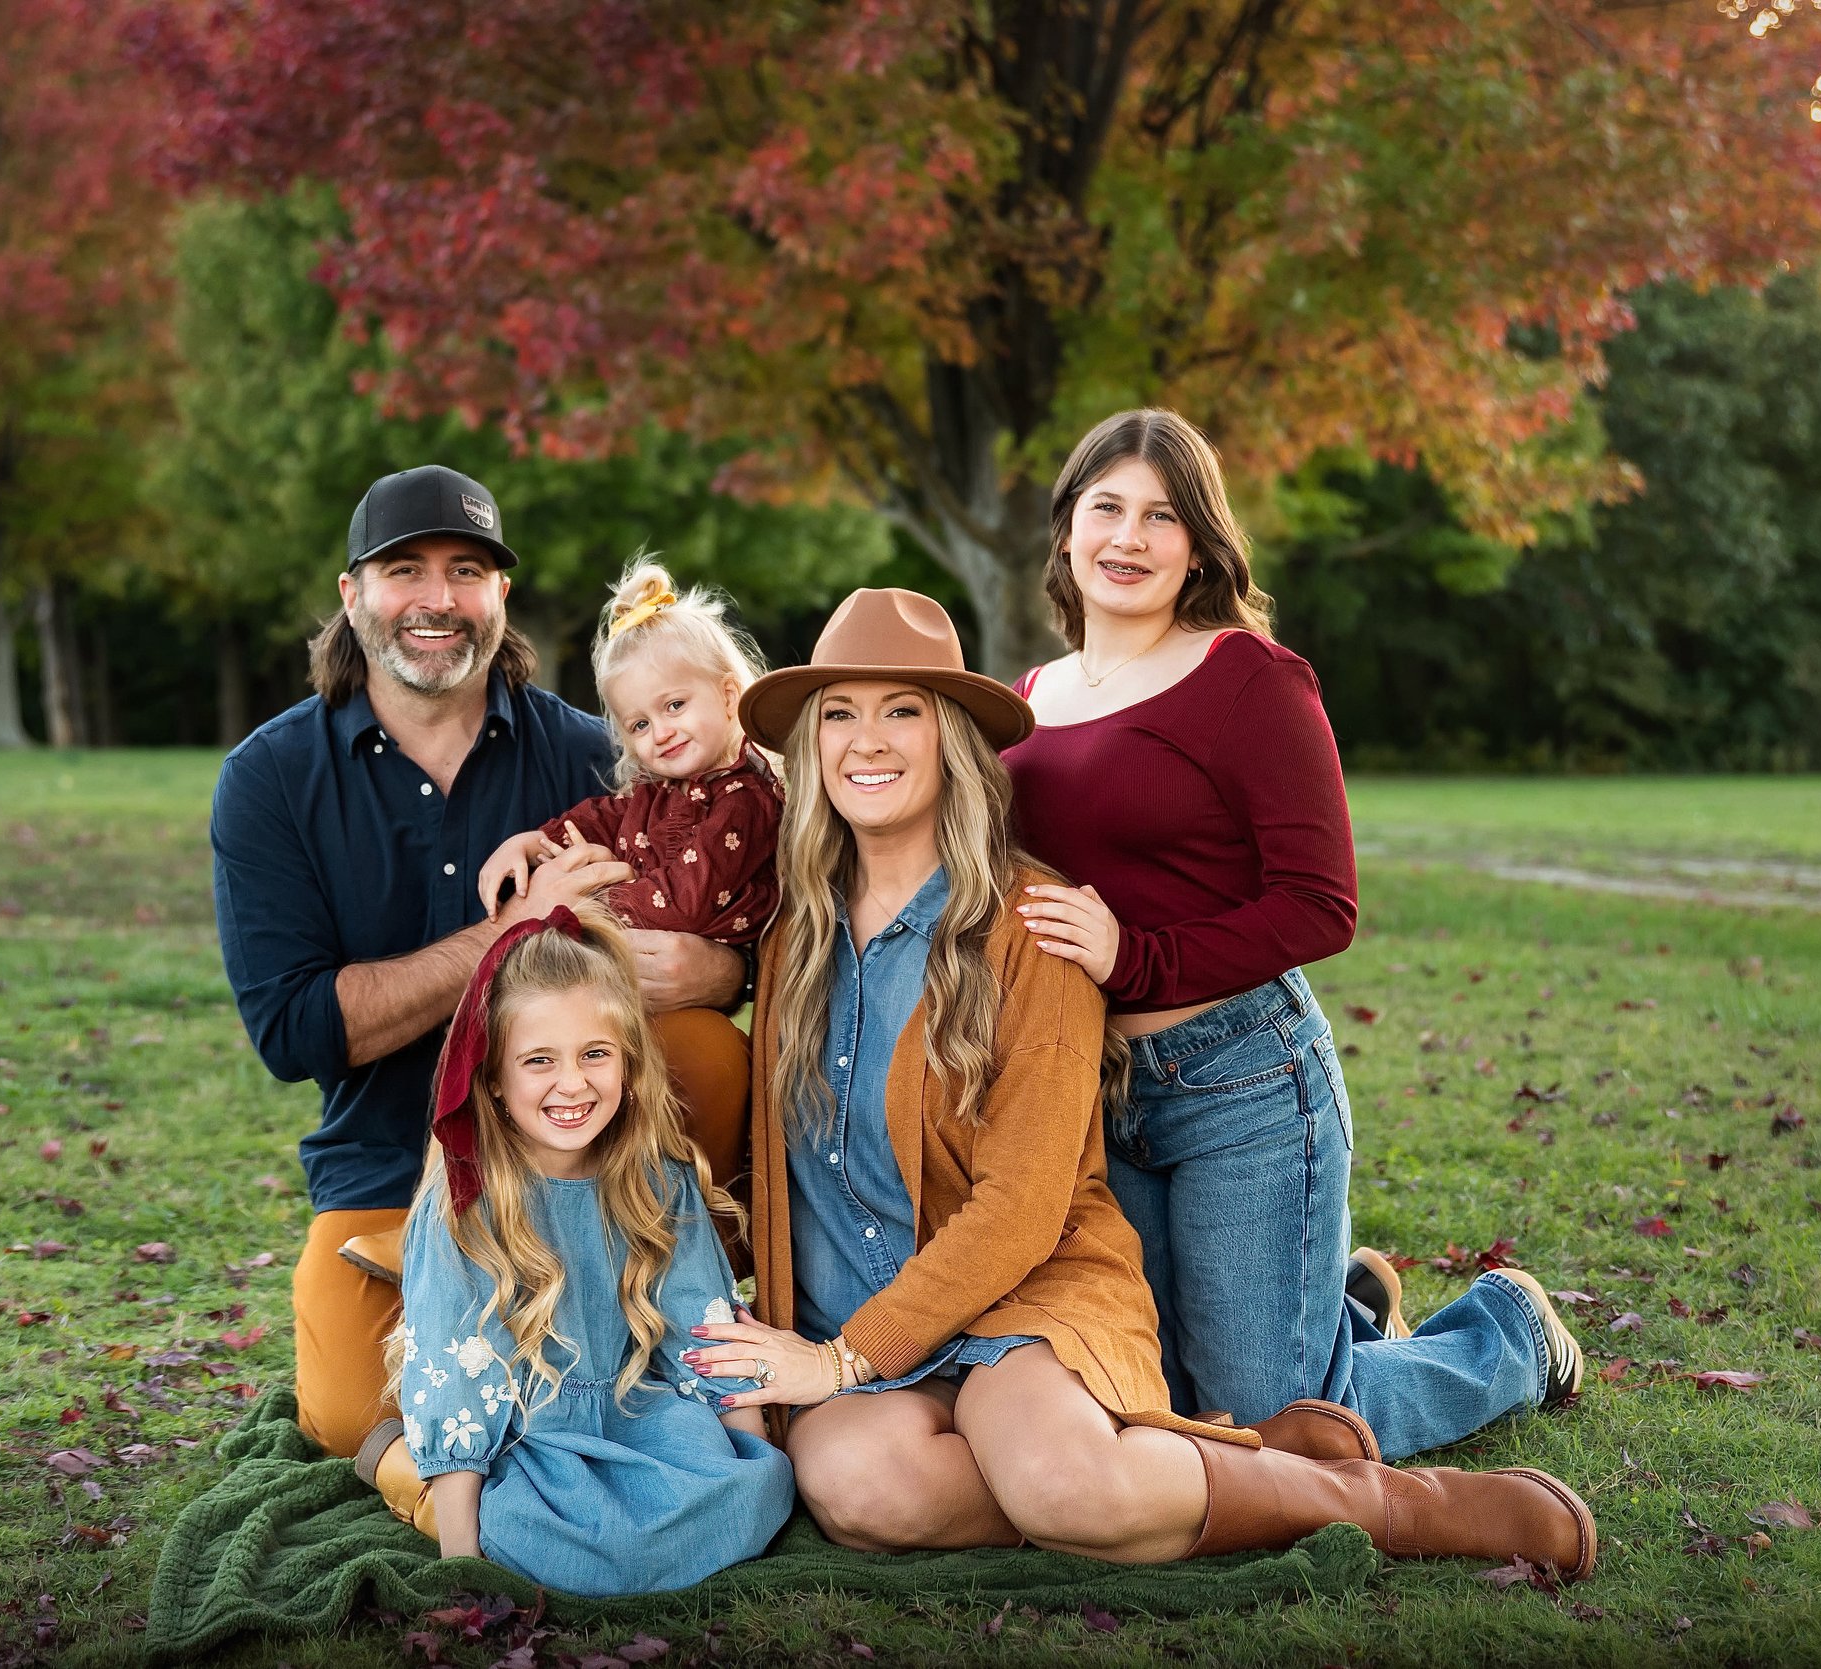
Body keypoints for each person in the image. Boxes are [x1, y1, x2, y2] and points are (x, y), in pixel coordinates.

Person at [681, 587, 1596, 1577]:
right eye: (839, 713)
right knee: (862, 1493)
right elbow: (781, 1169)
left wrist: (841, 1360)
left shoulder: (1032, 922)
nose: (868, 740)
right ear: (810, 748)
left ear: (950, 738)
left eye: (902, 709)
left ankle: (1375, 1500)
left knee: (1064, 1485)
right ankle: (1211, 1461)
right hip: (848, 1313)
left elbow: (1024, 1206)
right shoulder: (793, 939)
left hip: (1013, 1302)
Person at [1001, 409, 1583, 1460]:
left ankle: (1508, 1334)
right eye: (1107, 509)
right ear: (1066, 529)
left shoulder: (1249, 681)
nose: (1128, 538)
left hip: (1242, 1084)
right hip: (1092, 1088)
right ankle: (1347, 1310)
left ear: (1200, 544)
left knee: (1271, 1427)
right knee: (1156, 1392)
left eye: (1161, 517)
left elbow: (1322, 902)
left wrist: (1134, 957)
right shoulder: (1025, 703)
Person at [207, 463, 747, 1476]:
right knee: (341, 1413)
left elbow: (728, 903)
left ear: (500, 594)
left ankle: (652, 1291)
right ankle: (456, 1490)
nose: (437, 598)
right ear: (352, 596)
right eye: (404, 569)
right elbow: (297, 1032)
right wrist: (512, 935)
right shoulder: (269, 779)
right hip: (389, 1163)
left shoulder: (599, 758)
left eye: (467, 570)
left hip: (585, 1160)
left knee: (706, 1046)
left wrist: (715, 968)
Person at [369, 906, 793, 1597]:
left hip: (639, 1415)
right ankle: (407, 1475)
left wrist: (757, 1464)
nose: (573, 1084)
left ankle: (628, 1535)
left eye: (595, 1053)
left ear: (627, 1061)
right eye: (539, 1060)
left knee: (752, 1493)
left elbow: (704, 1330)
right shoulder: (466, 1205)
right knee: (524, 1534)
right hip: (529, 1438)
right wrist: (460, 1561)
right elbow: (458, 1379)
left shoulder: (657, 1176)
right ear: (496, 1080)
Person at [476, 560, 780, 1198]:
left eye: (675, 706)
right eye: (639, 724)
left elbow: (683, 903)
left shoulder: (745, 800)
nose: (660, 732)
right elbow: (599, 820)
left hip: (682, 999)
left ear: (729, 696)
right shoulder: (661, 791)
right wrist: (531, 844)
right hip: (627, 982)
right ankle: (500, 1199)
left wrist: (575, 906)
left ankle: (677, 1218)